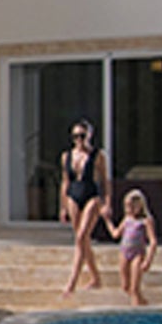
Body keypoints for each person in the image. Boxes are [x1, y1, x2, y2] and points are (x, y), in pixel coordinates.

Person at [58, 121, 111, 296]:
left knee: (81, 236)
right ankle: (96, 278)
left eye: (82, 136)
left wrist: (107, 203)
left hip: (91, 195)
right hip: (73, 194)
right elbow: (65, 181)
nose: (79, 140)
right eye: (75, 136)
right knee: (83, 240)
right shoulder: (67, 156)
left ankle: (71, 283)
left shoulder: (97, 155)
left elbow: (105, 181)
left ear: (89, 135)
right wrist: (63, 206)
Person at [104, 188, 159, 307]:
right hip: (124, 252)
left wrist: (148, 261)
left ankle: (135, 310)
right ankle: (143, 303)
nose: (129, 209)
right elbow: (115, 234)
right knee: (125, 286)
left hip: (137, 254)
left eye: (132, 206)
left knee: (134, 288)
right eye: (127, 206)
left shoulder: (145, 221)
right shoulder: (127, 220)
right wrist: (107, 221)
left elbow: (153, 241)